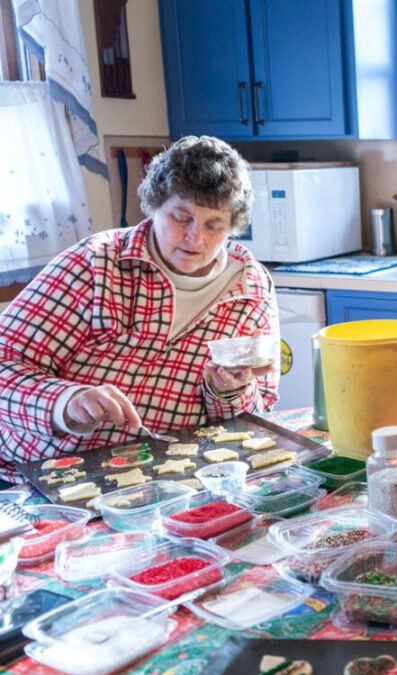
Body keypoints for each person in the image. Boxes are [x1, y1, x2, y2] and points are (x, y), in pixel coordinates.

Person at [0, 136, 278, 483]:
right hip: (48, 475)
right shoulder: (96, 264)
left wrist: (228, 392)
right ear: (154, 206)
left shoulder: (250, 288)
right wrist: (65, 401)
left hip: (168, 482)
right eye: (182, 217)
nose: (195, 238)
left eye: (214, 225)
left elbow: (257, 412)